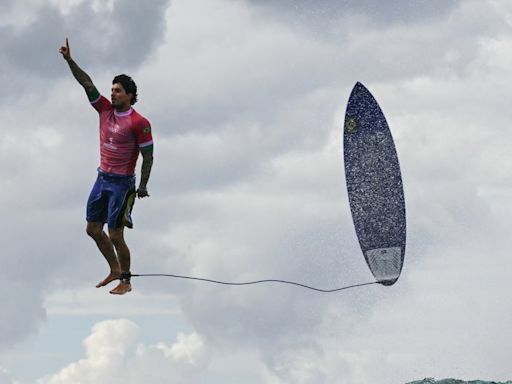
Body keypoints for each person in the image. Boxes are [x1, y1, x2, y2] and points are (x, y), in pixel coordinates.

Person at [59, 38, 154, 295]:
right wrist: (69, 60)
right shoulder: (104, 110)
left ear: (130, 96)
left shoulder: (139, 122)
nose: (112, 93)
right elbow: (86, 83)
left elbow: (148, 156)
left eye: (118, 91)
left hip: (122, 184)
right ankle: (113, 269)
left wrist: (143, 185)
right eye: (112, 90)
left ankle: (126, 280)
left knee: (115, 234)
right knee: (92, 229)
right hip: (102, 178)